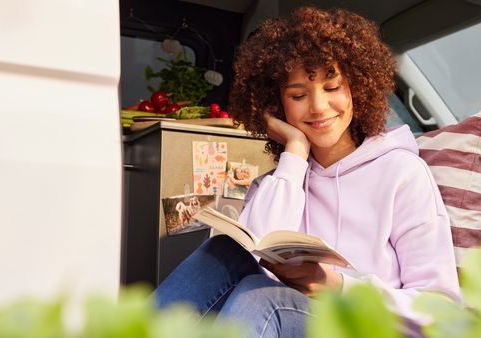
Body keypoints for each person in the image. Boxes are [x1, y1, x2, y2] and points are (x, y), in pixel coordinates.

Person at [154, 6, 460, 337]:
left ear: (357, 88)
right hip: (287, 321)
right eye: (298, 95)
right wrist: (295, 152)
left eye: (332, 87)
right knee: (223, 252)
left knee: (261, 299)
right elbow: (252, 255)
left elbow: (441, 312)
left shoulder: (402, 173)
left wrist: (335, 285)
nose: (317, 106)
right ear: (276, 104)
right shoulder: (278, 182)